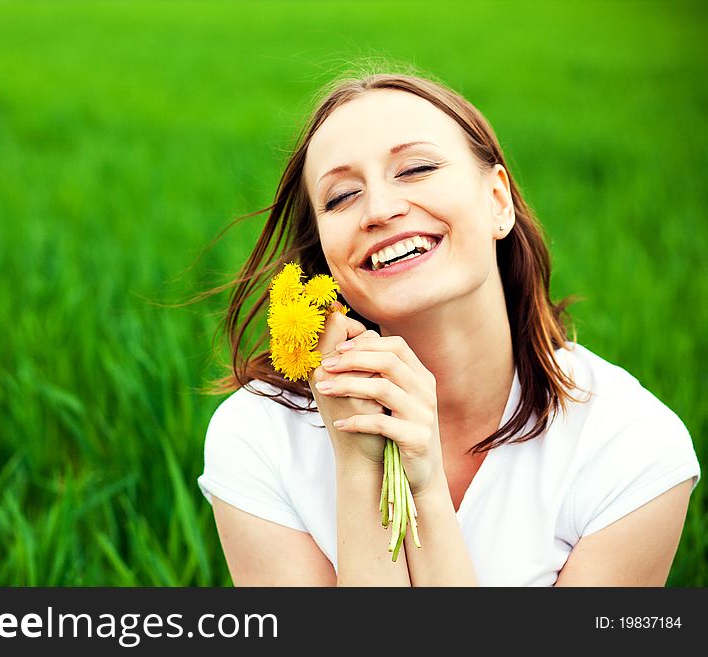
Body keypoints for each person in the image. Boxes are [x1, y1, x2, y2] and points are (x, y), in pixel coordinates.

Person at [196, 71, 701, 586]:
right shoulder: (259, 436)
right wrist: (358, 466)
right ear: (325, 255)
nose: (380, 209)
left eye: (415, 168)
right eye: (341, 196)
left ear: (498, 201)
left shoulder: (629, 447)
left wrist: (427, 492)